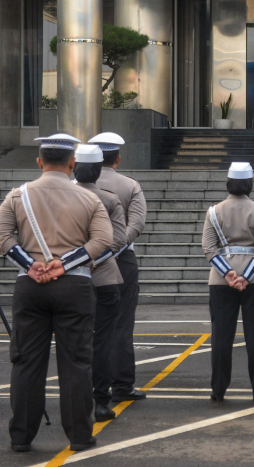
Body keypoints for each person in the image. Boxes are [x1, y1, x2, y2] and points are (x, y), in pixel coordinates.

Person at [0, 134, 112, 452]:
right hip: (74, 285)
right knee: (76, 362)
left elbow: (2, 236)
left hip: (30, 286)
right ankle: (79, 436)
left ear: (39, 162)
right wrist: (64, 264)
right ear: (72, 164)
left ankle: (21, 437)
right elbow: (103, 240)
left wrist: (31, 265)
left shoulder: (17, 196)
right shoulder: (89, 199)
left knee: (25, 362)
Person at [202, 162, 254, 402]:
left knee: (221, 336)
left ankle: (218, 389)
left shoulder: (214, 212)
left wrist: (229, 274)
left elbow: (208, 248)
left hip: (221, 280)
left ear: (228, 183)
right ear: (250, 184)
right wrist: (246, 276)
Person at [89, 132, 148, 403]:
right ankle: (123, 385)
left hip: (82, 260)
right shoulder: (130, 185)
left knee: (86, 324)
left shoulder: (76, 186)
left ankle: (89, 384)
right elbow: (136, 224)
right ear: (118, 159)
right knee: (122, 324)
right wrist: (115, 248)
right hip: (121, 260)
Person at [73, 144, 128, 423]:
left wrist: (72, 263)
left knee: (74, 341)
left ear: (74, 167)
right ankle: (101, 401)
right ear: (98, 170)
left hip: (69, 278)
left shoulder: (64, 196)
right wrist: (93, 260)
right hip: (104, 277)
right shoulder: (108, 199)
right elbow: (118, 240)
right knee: (103, 341)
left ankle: (75, 400)